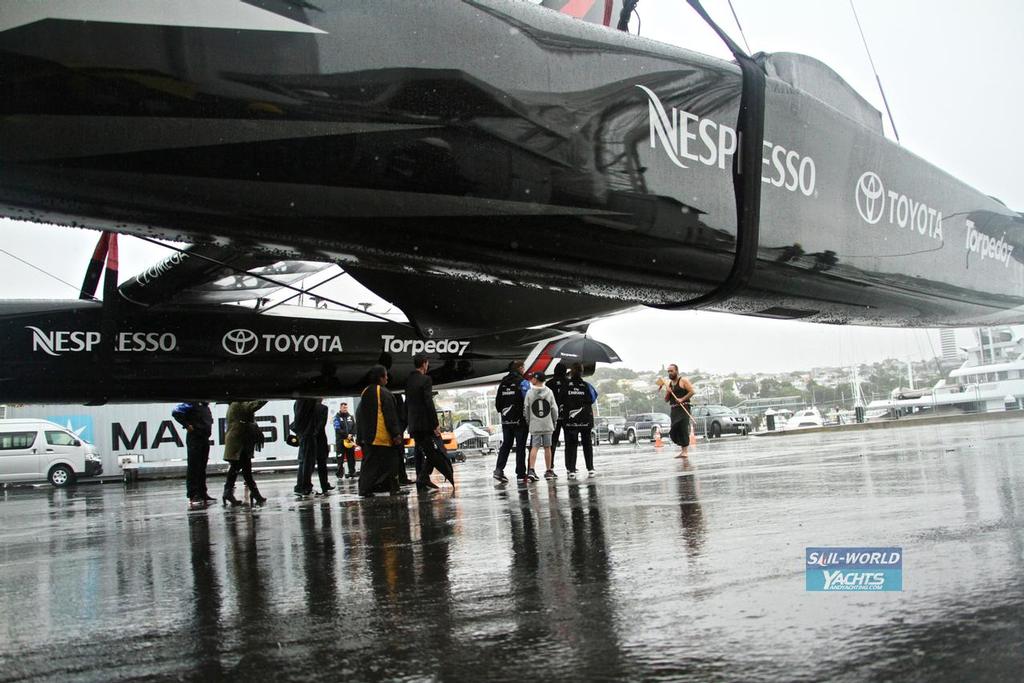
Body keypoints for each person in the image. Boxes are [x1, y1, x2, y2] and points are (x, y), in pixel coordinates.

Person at [356, 365, 406, 497]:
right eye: (385, 375)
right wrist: (396, 434)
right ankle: (393, 488)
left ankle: (366, 488)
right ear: (380, 377)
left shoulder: (365, 391)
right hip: (382, 435)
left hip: (368, 436)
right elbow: (390, 415)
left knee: (369, 464)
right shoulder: (384, 393)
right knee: (392, 462)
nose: (387, 378)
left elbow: (360, 414)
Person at [406, 354, 442, 494]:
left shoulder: (409, 380)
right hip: (424, 424)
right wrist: (435, 424)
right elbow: (428, 402)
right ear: (424, 364)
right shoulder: (426, 379)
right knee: (433, 454)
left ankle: (422, 478)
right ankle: (422, 477)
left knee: (419, 451)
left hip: (413, 424)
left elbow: (408, 402)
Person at [222, 399, 268, 506]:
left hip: (241, 441)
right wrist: (265, 398)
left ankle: (230, 492)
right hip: (238, 442)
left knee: (243, 468)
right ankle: (253, 494)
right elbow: (250, 407)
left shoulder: (236, 403)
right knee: (239, 467)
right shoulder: (237, 402)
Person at [493, 360, 530, 484]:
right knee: (520, 447)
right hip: (520, 421)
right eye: (523, 368)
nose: (524, 371)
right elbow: (528, 400)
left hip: (506, 421)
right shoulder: (523, 382)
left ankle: (498, 470)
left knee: (506, 445)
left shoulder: (503, 383)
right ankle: (520, 474)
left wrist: (505, 414)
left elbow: (497, 404)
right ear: (519, 368)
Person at [171, 400, 215, 508]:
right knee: (193, 467)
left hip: (204, 438)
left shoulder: (205, 406)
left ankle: (202, 493)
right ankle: (193, 494)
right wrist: (187, 425)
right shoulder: (191, 403)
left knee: (202, 467)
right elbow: (175, 412)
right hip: (194, 438)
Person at [562, 363, 599, 479]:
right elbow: (593, 398)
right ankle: (590, 468)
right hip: (585, 419)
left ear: (571, 372)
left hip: (570, 420)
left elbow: (561, 399)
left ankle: (571, 470)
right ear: (582, 372)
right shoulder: (587, 386)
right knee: (587, 444)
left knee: (571, 445)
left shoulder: (565, 385)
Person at [524, 371, 558, 482]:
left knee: (534, 447)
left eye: (532, 378)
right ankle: (548, 470)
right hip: (547, 424)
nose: (531, 379)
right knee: (547, 447)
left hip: (535, 424)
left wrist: (529, 422)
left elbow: (526, 409)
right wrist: (554, 421)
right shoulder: (549, 392)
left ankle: (531, 470)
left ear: (536, 379)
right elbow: (554, 409)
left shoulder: (529, 393)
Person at [662, 364, 696, 459]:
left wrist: (682, 399)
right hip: (674, 410)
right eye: (668, 371)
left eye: (671, 371)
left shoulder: (683, 380)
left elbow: (692, 392)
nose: (670, 373)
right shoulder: (669, 384)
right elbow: (666, 400)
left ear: (676, 371)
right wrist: (668, 391)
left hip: (684, 408)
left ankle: (685, 451)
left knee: (683, 428)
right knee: (674, 429)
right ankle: (682, 450)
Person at [292, 398, 320, 496]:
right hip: (307, 434)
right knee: (307, 462)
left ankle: (301, 486)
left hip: (304, 434)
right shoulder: (307, 400)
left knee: (304, 461)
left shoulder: (299, 401)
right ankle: (305, 487)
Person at [545, 363, 569, 460]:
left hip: (552, 416)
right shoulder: (568, 382)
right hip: (566, 415)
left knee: (553, 441)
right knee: (569, 441)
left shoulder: (549, 383)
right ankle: (570, 466)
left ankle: (550, 465)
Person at [314, 400, 334, 494]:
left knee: (308, 465)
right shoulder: (323, 408)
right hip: (320, 439)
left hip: (309, 438)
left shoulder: (307, 408)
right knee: (322, 464)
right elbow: (322, 424)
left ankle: (305, 486)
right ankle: (324, 485)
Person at [333, 402, 357, 480]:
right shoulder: (336, 417)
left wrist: (351, 434)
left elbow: (354, 426)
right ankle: (339, 474)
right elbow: (337, 429)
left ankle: (352, 472)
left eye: (346, 407)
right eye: (343, 407)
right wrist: (346, 435)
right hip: (340, 440)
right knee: (340, 458)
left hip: (350, 440)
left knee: (351, 457)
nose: (345, 409)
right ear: (340, 408)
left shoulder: (351, 417)